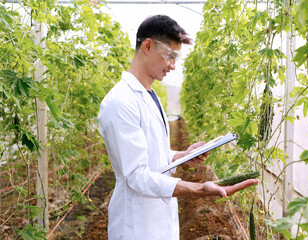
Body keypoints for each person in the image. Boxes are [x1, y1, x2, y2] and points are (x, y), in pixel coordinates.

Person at [97, 15, 259, 240]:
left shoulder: (149, 95)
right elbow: (136, 175)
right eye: (170, 56)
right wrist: (200, 189)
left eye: (176, 58)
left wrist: (179, 157)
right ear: (148, 46)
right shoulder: (120, 102)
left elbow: (149, 154)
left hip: (159, 222)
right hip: (137, 227)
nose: (173, 66)